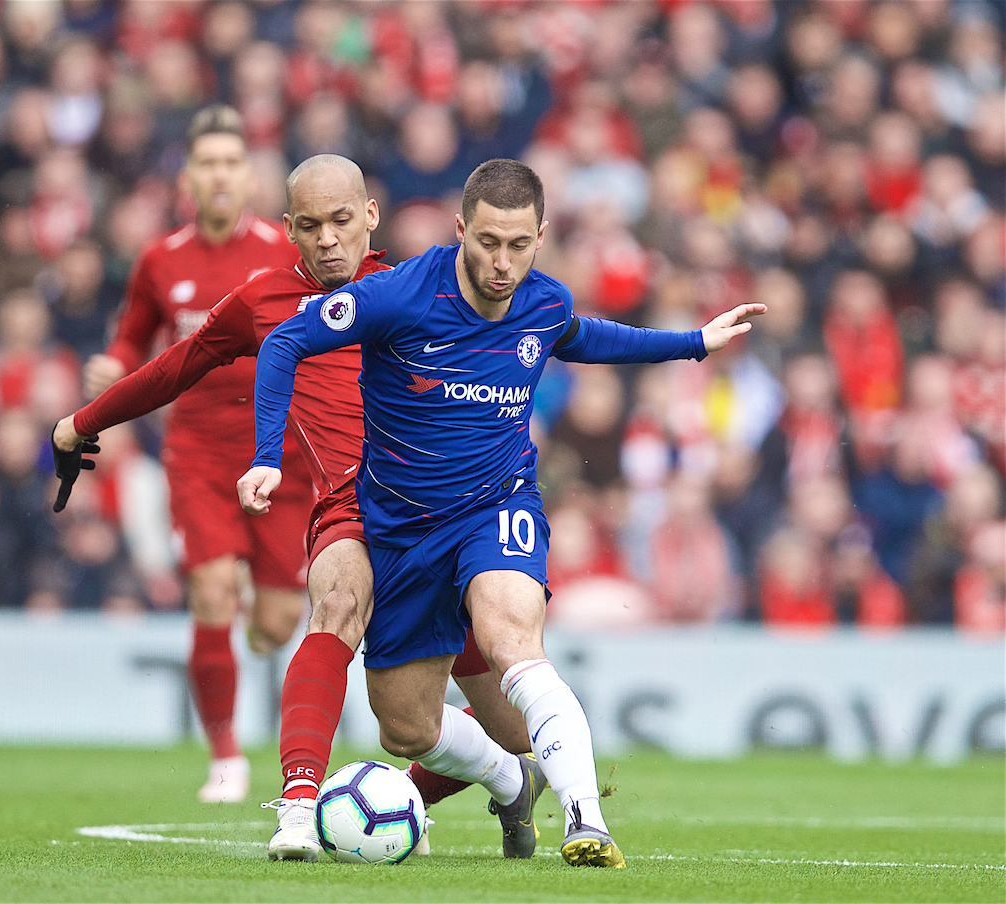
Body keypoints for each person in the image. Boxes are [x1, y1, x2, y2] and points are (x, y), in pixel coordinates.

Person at [239, 158, 764, 867]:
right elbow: (285, 341)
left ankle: (588, 822)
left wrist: (694, 344)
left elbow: (587, 336)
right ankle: (508, 777)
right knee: (405, 728)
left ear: (541, 236)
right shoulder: (398, 296)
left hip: (496, 508)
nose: (502, 262)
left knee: (513, 636)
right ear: (461, 230)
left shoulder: (542, 302)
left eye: (519, 245)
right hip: (401, 530)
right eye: (488, 242)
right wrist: (268, 455)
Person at [51, 154, 531, 861]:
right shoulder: (263, 301)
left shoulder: (425, 287)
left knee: (507, 730)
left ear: (370, 216)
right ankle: (300, 808)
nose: (329, 239)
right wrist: (79, 422)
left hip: (446, 516)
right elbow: (173, 367)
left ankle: (493, 782)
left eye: (342, 221)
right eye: (311, 226)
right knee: (335, 602)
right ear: (289, 230)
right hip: (349, 507)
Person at [77, 105, 314, 804]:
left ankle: (249, 636)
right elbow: (133, 338)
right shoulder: (161, 258)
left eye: (232, 162)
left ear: (249, 177)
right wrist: (111, 365)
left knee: (273, 624)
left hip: (281, 455)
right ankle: (225, 757)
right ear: (188, 176)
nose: (220, 174)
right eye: (207, 162)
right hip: (199, 453)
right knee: (211, 593)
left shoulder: (286, 252)